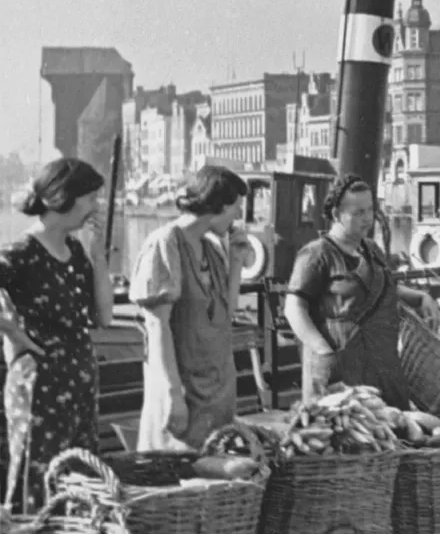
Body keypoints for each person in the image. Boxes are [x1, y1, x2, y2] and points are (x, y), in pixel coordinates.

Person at [0, 159, 112, 507]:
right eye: (90, 198)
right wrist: (15, 335)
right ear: (64, 198)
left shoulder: (76, 251)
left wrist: (97, 256)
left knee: (79, 482)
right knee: (35, 481)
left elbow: (104, 316)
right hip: (40, 389)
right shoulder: (21, 252)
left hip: (78, 385)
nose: (95, 207)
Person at [284, 174, 438, 409]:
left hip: (383, 364)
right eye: (358, 213)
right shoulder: (317, 254)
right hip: (342, 367)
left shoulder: (372, 249)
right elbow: (294, 308)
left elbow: (384, 286)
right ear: (336, 215)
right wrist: (321, 349)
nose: (367, 219)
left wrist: (419, 297)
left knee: (396, 430)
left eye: (370, 210)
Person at [132, 166, 252, 451]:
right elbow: (157, 325)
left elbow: (224, 313)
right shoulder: (165, 244)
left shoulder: (211, 248)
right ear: (218, 205)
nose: (238, 216)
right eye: (236, 207)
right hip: (183, 393)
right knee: (176, 475)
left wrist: (236, 262)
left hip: (216, 393)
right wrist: (173, 394)